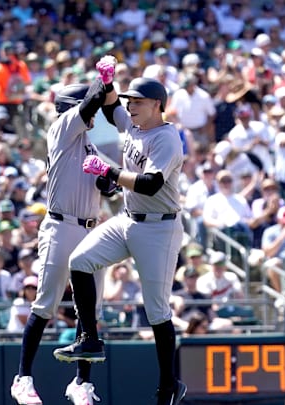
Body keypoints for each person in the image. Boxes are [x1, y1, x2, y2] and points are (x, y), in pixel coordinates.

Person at [52, 60, 187, 405]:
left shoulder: (166, 137)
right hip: (128, 219)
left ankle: (169, 384)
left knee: (157, 310)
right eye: (130, 101)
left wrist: (110, 172)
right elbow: (112, 108)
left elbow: (151, 184)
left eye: (138, 101)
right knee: (79, 261)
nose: (131, 106)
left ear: (158, 105)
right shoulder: (138, 126)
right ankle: (90, 339)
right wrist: (106, 82)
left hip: (160, 227)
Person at [11, 80, 107, 405]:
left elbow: (103, 187)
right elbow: (93, 101)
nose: (93, 116)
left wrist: (109, 182)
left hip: (90, 228)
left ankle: (82, 383)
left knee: (89, 310)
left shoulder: (89, 143)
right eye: (86, 109)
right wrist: (104, 80)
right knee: (46, 303)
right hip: (61, 225)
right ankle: (22, 378)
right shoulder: (62, 128)